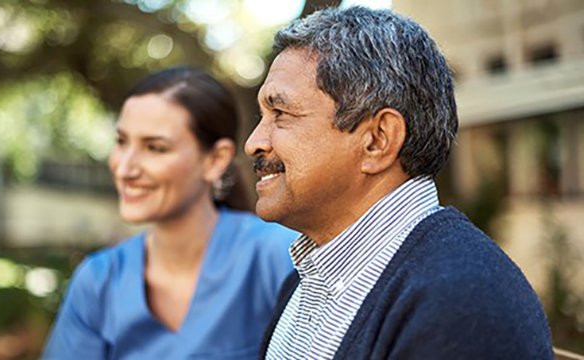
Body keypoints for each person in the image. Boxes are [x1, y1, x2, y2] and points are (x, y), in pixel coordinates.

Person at [244, 6, 553, 359]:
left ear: (377, 140)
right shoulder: (310, 276)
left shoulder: (462, 303)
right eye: (263, 115)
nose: (254, 142)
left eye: (280, 114)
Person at [43, 67, 297, 359]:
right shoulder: (98, 280)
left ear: (216, 159)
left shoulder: (278, 257)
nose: (125, 168)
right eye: (122, 142)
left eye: (155, 148)